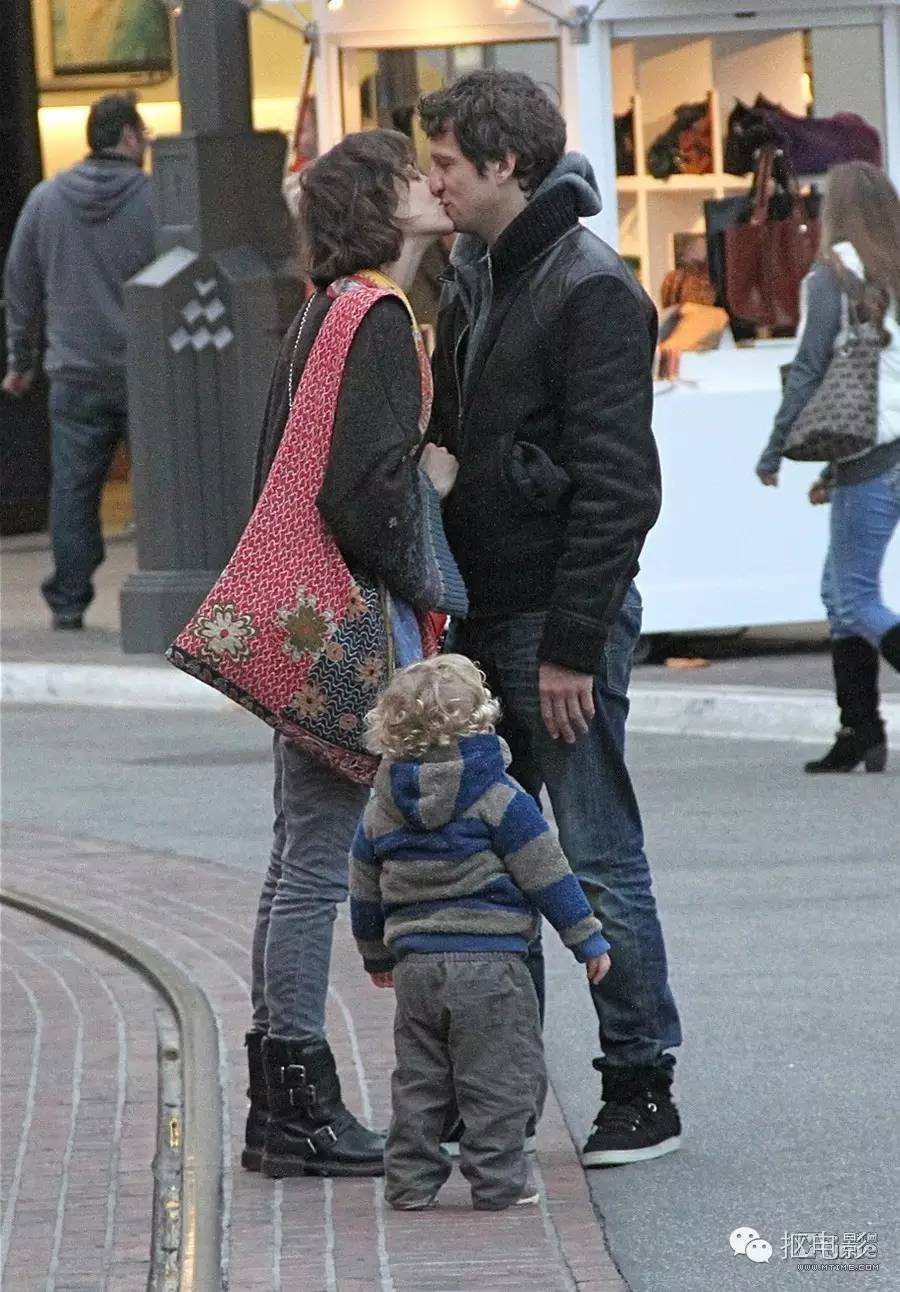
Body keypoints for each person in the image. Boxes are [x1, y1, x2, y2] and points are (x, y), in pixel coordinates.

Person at [418, 70, 683, 1168]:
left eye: (446, 163)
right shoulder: (470, 279)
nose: (434, 181)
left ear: (505, 165)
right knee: (490, 861)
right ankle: (503, 1094)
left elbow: (621, 489)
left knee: (596, 852)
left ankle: (641, 1081)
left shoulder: (590, 286)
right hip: (484, 617)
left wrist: (573, 644)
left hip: (553, 622)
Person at [243, 130, 467, 1180]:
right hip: (346, 631)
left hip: (306, 625)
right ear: (379, 203)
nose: (432, 183)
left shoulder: (324, 312)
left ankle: (279, 1100)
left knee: (296, 857)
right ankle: (299, 1103)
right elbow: (357, 492)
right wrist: (432, 488)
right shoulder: (374, 317)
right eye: (413, 173)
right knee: (313, 867)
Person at [349, 655, 611, 1211]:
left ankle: (410, 1184)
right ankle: (497, 1183)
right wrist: (585, 937)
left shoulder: (382, 807)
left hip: (417, 968)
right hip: (492, 965)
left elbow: (364, 889)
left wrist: (375, 956)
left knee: (420, 1081)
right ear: (482, 719)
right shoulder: (501, 797)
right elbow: (546, 871)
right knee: (499, 1079)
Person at [756, 162, 900, 773]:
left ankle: (859, 730)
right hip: (879, 453)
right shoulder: (894, 271)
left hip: (872, 458)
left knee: (856, 597)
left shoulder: (833, 276)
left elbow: (811, 371)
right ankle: (859, 730)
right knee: (837, 593)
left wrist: (775, 448)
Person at [2, 93, 157, 629]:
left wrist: (20, 357)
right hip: (144, 371)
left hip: (73, 370)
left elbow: (20, 285)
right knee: (157, 487)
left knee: (73, 490)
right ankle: (163, 586)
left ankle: (68, 600)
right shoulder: (156, 199)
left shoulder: (45, 200)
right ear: (129, 136)